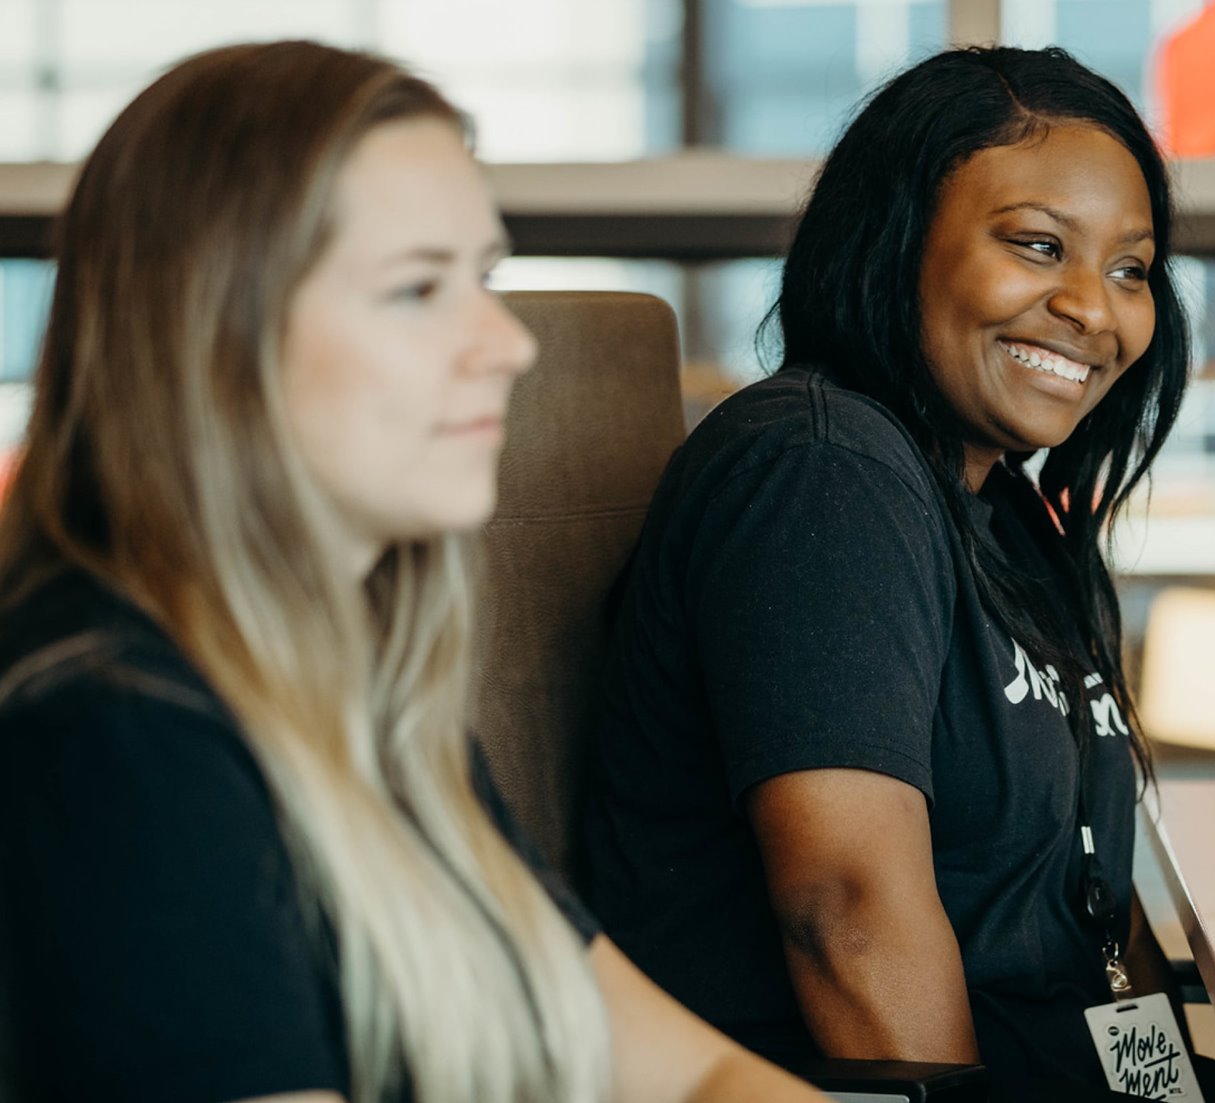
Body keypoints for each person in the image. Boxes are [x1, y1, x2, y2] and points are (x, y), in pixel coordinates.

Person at [0, 41, 821, 1103]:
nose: (507, 343)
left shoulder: (369, 697)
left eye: (481, 278)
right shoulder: (117, 725)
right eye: (418, 287)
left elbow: (686, 1070)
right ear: (218, 334)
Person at [584, 46, 1215, 1101]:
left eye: (1130, 268)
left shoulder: (1003, 511)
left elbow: (1085, 901)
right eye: (1036, 246)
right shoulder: (821, 470)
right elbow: (846, 912)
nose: (1094, 309)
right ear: (895, 245)